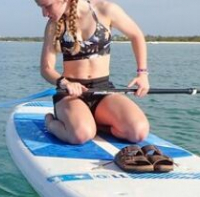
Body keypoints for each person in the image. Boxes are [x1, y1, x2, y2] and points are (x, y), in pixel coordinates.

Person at [35, 0, 150, 144]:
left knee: (138, 132)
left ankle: (93, 121)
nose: (44, 14)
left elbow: (136, 35)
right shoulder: (54, 25)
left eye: (47, 6)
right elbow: (46, 69)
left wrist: (142, 74)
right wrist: (64, 83)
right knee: (81, 135)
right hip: (70, 94)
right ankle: (51, 123)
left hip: (103, 90)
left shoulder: (105, 10)